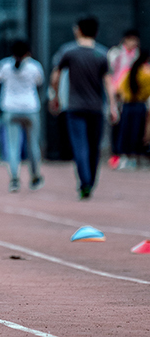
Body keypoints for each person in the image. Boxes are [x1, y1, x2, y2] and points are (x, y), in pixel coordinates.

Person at [49, 16, 110, 200]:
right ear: (96, 32)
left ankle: (84, 182)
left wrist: (56, 97)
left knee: (80, 145)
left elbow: (56, 75)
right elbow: (108, 82)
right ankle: (90, 181)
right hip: (96, 107)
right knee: (94, 146)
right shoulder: (101, 53)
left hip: (75, 107)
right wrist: (113, 106)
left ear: (78, 30)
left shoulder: (68, 51)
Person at [0, 40, 45, 192]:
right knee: (33, 145)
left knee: (12, 146)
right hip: (30, 108)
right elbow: (39, 82)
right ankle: (35, 176)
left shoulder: (5, 65)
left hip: (10, 109)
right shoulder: (34, 66)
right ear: (28, 52)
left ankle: (14, 179)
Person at [106, 30, 140, 169]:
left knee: (129, 126)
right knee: (116, 123)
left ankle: (127, 155)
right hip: (116, 93)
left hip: (131, 95)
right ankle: (116, 155)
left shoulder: (137, 54)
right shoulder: (116, 53)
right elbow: (109, 72)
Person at [112, 47, 150, 168]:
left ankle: (125, 159)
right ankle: (136, 158)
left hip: (127, 106)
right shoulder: (147, 74)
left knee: (126, 132)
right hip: (140, 106)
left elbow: (118, 89)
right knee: (138, 133)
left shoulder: (128, 71)